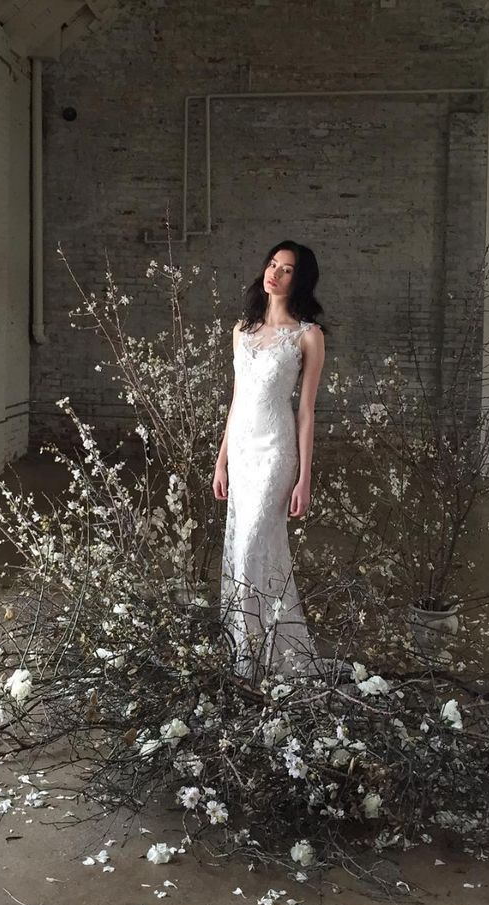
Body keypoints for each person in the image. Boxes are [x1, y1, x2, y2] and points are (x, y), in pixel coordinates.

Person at [212, 240, 326, 682]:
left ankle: (254, 657)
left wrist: (304, 478)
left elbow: (307, 411)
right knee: (246, 550)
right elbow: (236, 401)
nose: (275, 273)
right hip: (241, 450)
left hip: (277, 452)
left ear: (300, 279)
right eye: (272, 264)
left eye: (288, 269)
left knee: (253, 544)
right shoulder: (241, 330)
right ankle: (249, 649)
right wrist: (221, 461)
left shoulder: (307, 336)